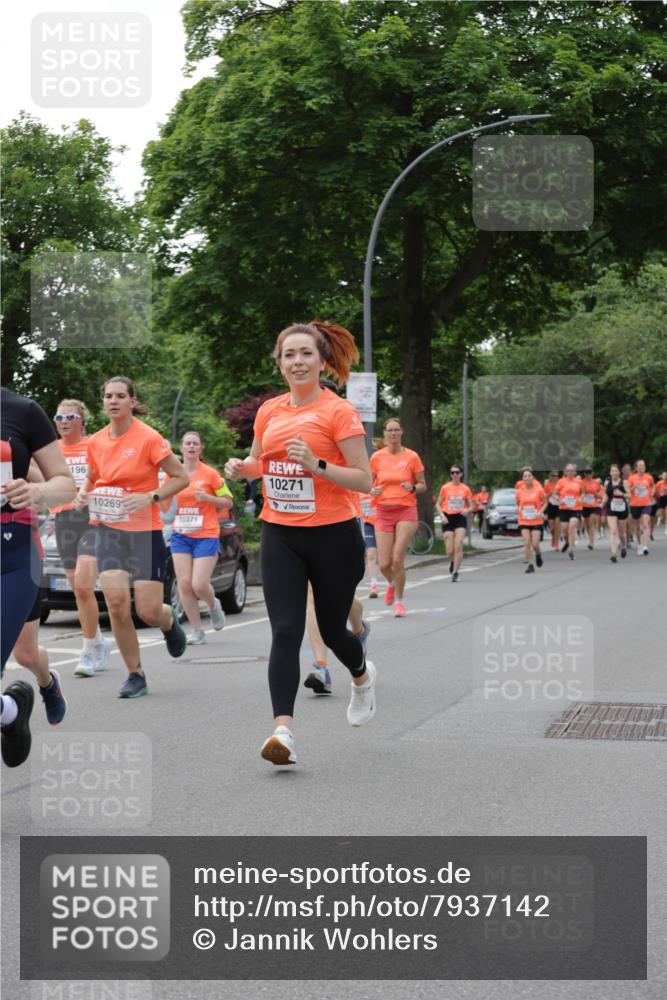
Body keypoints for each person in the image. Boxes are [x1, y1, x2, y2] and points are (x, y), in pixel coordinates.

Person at [225, 321, 374, 766]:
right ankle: (283, 733)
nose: (297, 362)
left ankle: (362, 677)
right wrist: (242, 468)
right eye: (288, 354)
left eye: (306, 353)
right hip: (281, 532)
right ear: (280, 362)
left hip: (334, 534)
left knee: (331, 631)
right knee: (286, 631)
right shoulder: (270, 411)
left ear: (322, 360)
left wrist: (318, 464)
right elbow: (259, 462)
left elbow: (364, 479)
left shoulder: (339, 412)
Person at [74, 376, 189, 699]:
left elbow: (180, 478)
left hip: (144, 531)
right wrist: (84, 493)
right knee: (116, 602)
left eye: (120, 396)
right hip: (108, 529)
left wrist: (150, 497)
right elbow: (93, 477)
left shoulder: (149, 438)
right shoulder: (95, 442)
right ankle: (135, 674)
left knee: (148, 612)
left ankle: (168, 621)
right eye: (108, 396)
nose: (113, 401)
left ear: (132, 401)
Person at [1, 387, 75, 767]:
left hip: (13, 553)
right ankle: (11, 711)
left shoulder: (22, 411)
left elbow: (65, 483)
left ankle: (46, 684)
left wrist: (35, 490)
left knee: (25, 652)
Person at [50, 399, 113, 677]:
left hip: (91, 518)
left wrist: (91, 492)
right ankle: (99, 640)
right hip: (63, 520)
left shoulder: (94, 445)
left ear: (82, 421)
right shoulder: (50, 451)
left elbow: (109, 477)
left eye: (70, 416)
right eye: (59, 416)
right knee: (78, 589)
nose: (64, 421)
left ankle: (87, 650)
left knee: (86, 586)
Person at [167, 431, 233, 644]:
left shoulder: (211, 474)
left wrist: (208, 498)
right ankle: (197, 631)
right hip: (180, 535)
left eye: (195, 443)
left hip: (206, 534)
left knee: (198, 584)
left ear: (200, 448)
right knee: (184, 584)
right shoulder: (173, 474)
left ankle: (213, 604)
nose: (192, 447)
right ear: (182, 448)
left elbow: (228, 502)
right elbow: (164, 502)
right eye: (188, 443)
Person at [369, 418, 426, 616]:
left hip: (406, 510)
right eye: (389, 430)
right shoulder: (376, 458)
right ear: (385, 434)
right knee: (384, 563)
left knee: (397, 558)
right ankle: (391, 583)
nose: (393, 434)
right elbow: (369, 483)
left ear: (401, 432)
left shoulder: (412, 456)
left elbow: (422, 485)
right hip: (384, 511)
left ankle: (399, 603)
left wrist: (412, 487)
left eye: (396, 430)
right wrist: (372, 490)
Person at [436, 466, 474, 582]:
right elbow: (438, 504)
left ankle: (456, 571)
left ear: (461, 474)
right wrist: (442, 516)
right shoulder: (445, 487)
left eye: (457, 472)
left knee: (459, 544)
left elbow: (472, 506)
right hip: (447, 517)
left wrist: (467, 510)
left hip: (460, 517)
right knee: (449, 551)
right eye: (452, 472)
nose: (455, 474)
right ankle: (452, 561)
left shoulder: (465, 489)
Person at [515, 468, 547, 573]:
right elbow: (517, 503)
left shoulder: (539, 490)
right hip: (523, 519)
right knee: (527, 542)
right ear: (523, 478)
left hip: (536, 520)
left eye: (529, 476)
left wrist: (541, 511)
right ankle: (530, 564)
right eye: (525, 476)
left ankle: (538, 554)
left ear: (532, 477)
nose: (527, 478)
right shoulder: (519, 491)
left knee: (535, 543)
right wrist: (517, 508)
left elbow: (546, 502)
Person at [556, 464, 584, 560]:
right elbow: (555, 494)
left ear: (575, 472)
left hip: (576, 508)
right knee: (565, 531)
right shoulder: (561, 481)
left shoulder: (579, 481)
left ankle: (571, 550)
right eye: (568, 470)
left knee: (571, 528)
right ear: (565, 472)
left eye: (572, 470)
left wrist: (580, 498)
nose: (570, 472)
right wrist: (560, 500)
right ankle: (568, 542)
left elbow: (583, 492)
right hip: (564, 508)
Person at [627, 459, 655, 556]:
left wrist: (652, 492)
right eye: (640, 465)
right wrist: (633, 488)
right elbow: (627, 491)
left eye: (644, 465)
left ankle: (645, 546)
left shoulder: (649, 477)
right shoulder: (631, 478)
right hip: (635, 505)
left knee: (646, 524)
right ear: (636, 468)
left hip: (646, 503)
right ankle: (639, 544)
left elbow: (653, 486)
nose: (643, 467)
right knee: (638, 527)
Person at [604, 463, 629, 562]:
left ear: (619, 472)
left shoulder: (624, 483)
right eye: (612, 471)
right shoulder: (607, 484)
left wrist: (622, 494)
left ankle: (623, 546)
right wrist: (602, 502)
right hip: (611, 508)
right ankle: (613, 554)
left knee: (622, 534)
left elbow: (630, 496)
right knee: (613, 531)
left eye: (616, 471)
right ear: (610, 472)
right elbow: (606, 495)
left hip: (622, 509)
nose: (614, 472)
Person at [580, 468, 604, 550]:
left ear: (592, 474)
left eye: (590, 473)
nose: (588, 475)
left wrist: (596, 494)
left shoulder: (596, 483)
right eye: (587, 473)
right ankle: (590, 539)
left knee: (591, 522)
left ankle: (591, 542)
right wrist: (582, 495)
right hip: (584, 505)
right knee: (587, 524)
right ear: (584, 474)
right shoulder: (581, 482)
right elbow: (579, 493)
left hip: (594, 505)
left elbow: (601, 493)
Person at [543, 471, 561, 550]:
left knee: (557, 525)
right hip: (550, 506)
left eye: (556, 476)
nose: (554, 477)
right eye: (553, 476)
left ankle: (556, 543)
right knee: (552, 527)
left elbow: (564, 494)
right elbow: (544, 497)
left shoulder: (561, 484)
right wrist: (550, 494)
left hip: (559, 506)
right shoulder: (547, 485)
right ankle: (553, 538)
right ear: (549, 476)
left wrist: (558, 496)